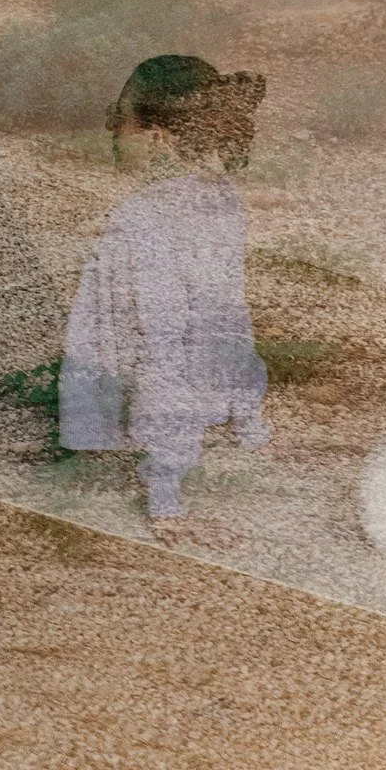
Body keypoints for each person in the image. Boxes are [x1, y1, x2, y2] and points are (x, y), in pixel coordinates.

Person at [59, 54, 269, 522]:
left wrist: (164, 473)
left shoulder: (141, 219)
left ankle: (164, 484)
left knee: (164, 356)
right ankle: (242, 427)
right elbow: (228, 318)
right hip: (210, 370)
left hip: (161, 381)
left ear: (157, 137)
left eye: (117, 123)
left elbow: (162, 340)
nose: (110, 137)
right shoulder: (220, 199)